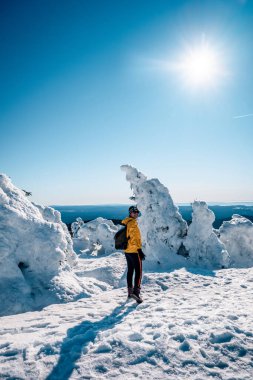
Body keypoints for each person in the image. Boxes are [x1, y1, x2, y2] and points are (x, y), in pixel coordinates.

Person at [121, 205, 145, 303]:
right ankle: (136, 293)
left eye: (137, 212)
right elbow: (135, 238)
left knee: (130, 271)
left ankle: (130, 293)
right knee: (138, 272)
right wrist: (139, 250)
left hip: (127, 251)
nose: (136, 214)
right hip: (134, 251)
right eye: (134, 212)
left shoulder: (127, 222)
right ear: (130, 213)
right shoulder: (133, 223)